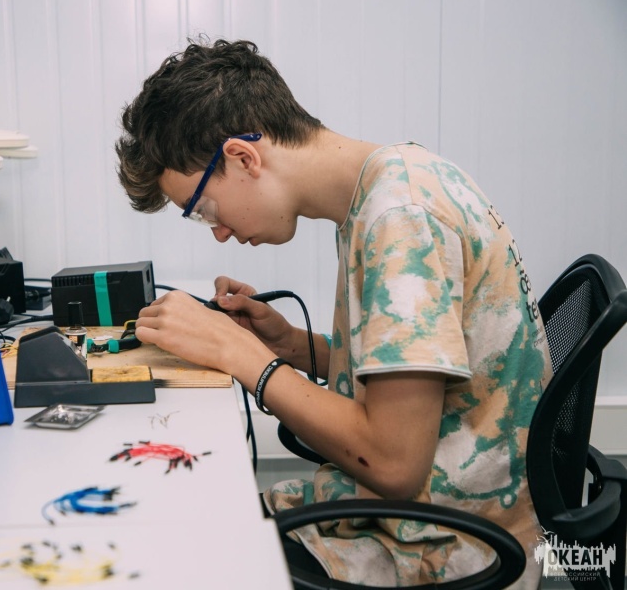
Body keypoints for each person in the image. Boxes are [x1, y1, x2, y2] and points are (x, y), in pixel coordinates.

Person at [116, 38, 552, 587]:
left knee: (177, 553)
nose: (219, 232)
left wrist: (242, 355)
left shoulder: (401, 219)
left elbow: (393, 465)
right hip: (419, 509)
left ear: (244, 157)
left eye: (203, 209)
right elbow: (427, 377)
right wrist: (291, 346)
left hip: (442, 542)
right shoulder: (394, 181)